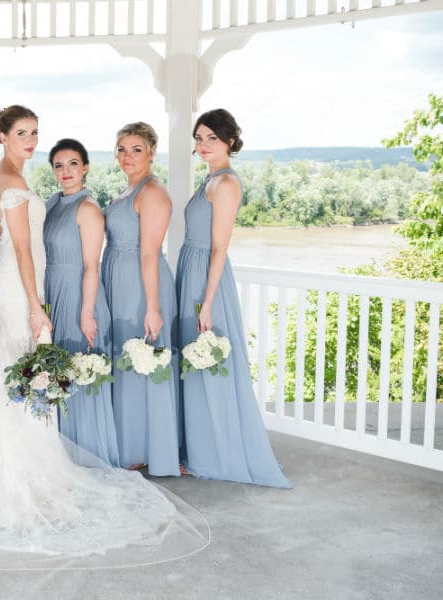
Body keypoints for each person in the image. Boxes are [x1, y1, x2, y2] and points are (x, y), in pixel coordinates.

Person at [0, 107, 207, 570]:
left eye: (34, 134)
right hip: (17, 285)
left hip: (24, 283)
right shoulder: (9, 180)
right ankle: (19, 477)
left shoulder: (12, 177)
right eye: (20, 133)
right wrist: (34, 305)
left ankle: (30, 468)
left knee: (22, 381)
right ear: (2, 137)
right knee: (19, 377)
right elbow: (24, 251)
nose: (29, 141)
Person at [176, 108, 291, 488]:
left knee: (210, 365)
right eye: (199, 138)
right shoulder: (209, 180)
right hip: (191, 271)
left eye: (211, 138)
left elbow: (219, 248)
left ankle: (219, 454)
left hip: (207, 279)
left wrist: (207, 302)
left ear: (229, 140)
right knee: (196, 369)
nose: (203, 145)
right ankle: (200, 449)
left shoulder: (225, 184)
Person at [102, 122, 180, 477]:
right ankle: (130, 440)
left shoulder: (152, 193)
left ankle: (147, 447)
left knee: (142, 358)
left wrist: (152, 306)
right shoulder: (127, 190)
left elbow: (150, 253)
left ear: (151, 152)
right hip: (119, 280)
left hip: (141, 284)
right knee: (125, 358)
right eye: (121, 149)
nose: (127, 156)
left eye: (136, 149)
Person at [43, 138, 119, 466]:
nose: (66, 171)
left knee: (78, 367)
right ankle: (60, 454)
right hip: (53, 291)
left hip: (78, 294)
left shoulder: (88, 208)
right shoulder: (50, 203)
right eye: (59, 165)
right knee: (56, 371)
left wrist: (86, 312)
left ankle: (88, 456)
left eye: (73, 164)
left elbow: (92, 265)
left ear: (85, 167)